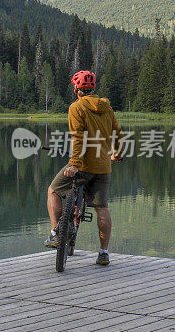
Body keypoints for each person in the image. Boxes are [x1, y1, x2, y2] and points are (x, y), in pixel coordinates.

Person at [44, 70, 123, 265]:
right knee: (102, 208)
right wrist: (117, 154)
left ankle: (55, 233)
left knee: (53, 190)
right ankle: (104, 252)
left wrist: (74, 164)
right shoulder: (107, 107)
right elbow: (118, 134)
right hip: (103, 166)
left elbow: (78, 138)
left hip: (83, 166)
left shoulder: (76, 107)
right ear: (93, 88)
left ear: (76, 89)